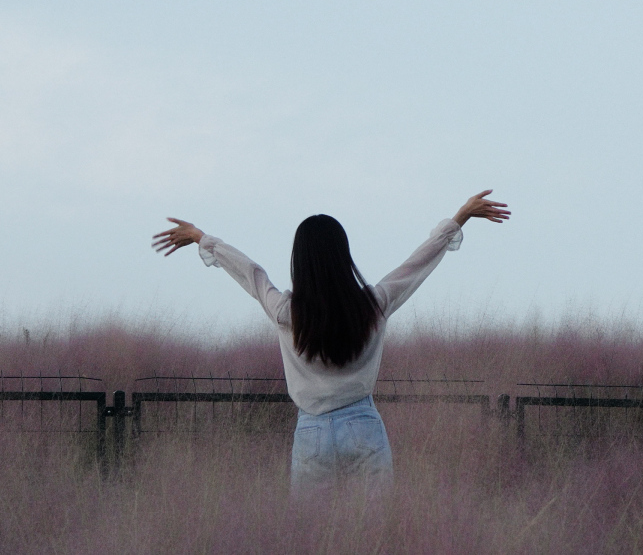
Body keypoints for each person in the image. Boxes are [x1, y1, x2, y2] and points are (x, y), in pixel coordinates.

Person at [151, 190, 510, 493]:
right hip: (364, 426)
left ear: (300, 260)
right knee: (374, 533)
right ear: (344, 256)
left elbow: (251, 273)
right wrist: (459, 218)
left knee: (315, 536)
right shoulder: (373, 304)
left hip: (312, 432)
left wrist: (202, 237)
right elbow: (414, 265)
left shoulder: (286, 311)